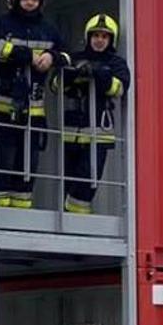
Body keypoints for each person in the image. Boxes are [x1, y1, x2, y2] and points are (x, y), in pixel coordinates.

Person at [0, 0, 68, 209]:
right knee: (3, 161)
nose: (29, 2)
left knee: (28, 165)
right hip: (3, 108)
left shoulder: (48, 30)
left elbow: (66, 54)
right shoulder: (3, 24)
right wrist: (21, 54)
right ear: (17, 0)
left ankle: (21, 213)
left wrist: (51, 57)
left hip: (34, 111)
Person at [60, 14, 131, 215]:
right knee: (69, 179)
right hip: (71, 131)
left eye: (104, 36)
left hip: (99, 132)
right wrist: (71, 75)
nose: (99, 40)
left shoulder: (116, 63)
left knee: (89, 179)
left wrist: (102, 76)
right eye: (96, 36)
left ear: (111, 40)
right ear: (88, 37)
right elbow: (55, 85)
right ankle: (71, 215)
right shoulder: (75, 58)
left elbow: (121, 88)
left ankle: (77, 217)